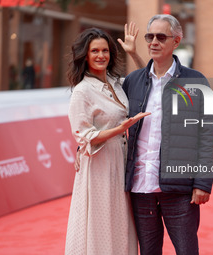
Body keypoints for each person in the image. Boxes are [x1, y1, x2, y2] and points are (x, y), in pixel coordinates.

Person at [122, 14, 213, 255]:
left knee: (187, 251)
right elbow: (116, 123)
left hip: (179, 190)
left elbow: (207, 135)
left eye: (161, 37)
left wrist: (203, 182)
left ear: (176, 41)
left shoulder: (195, 81)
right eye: (149, 36)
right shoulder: (133, 81)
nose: (154, 42)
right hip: (140, 188)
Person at [65, 26, 149, 255]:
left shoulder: (116, 82)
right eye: (95, 51)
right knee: (101, 220)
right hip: (99, 165)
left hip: (121, 160)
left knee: (121, 219)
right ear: (85, 55)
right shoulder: (82, 91)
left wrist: (133, 53)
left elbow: (149, 81)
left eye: (105, 50)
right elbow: (83, 136)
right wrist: (119, 129)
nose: (101, 55)